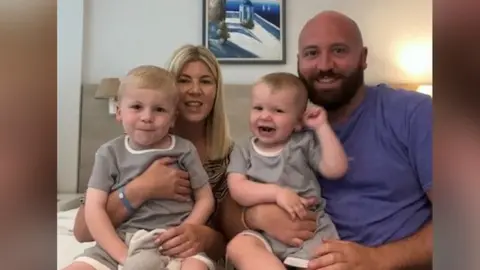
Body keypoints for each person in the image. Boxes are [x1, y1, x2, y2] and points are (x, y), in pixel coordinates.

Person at [230, 10, 433, 270]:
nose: (324, 65)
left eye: (339, 50)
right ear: (298, 62)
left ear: (363, 58)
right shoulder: (286, 130)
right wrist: (255, 216)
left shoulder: (413, 113)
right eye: (312, 53)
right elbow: (229, 205)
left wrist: (378, 259)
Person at [71, 45, 235, 269]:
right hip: (123, 244)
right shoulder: (117, 150)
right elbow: (82, 230)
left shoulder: (233, 158)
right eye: (184, 80)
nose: (195, 89)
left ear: (217, 90)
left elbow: (233, 235)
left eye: (206, 81)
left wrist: (202, 235)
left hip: (180, 249)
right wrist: (141, 188)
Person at [225, 72, 348, 270]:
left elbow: (336, 169)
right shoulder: (242, 149)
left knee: (333, 261)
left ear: (298, 121)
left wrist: (321, 127)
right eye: (258, 108)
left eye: (278, 111)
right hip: (264, 235)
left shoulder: (303, 144)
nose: (265, 116)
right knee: (239, 245)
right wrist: (277, 193)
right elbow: (238, 189)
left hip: (310, 232)